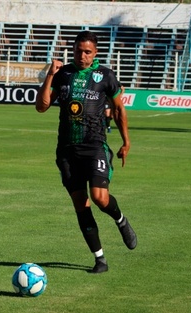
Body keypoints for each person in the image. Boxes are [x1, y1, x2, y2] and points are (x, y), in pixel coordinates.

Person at [35, 31, 137, 274]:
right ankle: (99, 259)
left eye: (87, 52)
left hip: (94, 146)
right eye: (78, 51)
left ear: (95, 53)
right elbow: (41, 107)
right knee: (81, 204)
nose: (82, 56)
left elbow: (119, 110)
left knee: (100, 198)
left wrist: (126, 142)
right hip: (67, 150)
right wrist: (50, 75)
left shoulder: (106, 76)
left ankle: (120, 219)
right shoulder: (62, 74)